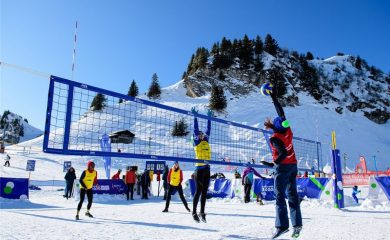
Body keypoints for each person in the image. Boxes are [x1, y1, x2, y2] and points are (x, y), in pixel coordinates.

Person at [261, 92, 302, 239]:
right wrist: (273, 97)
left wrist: (273, 163)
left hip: (283, 168)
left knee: (279, 196)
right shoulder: (288, 130)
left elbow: (282, 154)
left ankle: (282, 226)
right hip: (293, 166)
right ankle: (297, 225)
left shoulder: (275, 138)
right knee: (292, 195)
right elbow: (281, 113)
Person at [191, 107, 212, 223]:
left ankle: (202, 212)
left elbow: (208, 129)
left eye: (202, 134)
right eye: (199, 134)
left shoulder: (206, 141)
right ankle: (194, 212)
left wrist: (209, 118)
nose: (201, 135)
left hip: (207, 169)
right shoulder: (196, 142)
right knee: (198, 192)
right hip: (198, 169)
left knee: (204, 192)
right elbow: (195, 129)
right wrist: (195, 117)